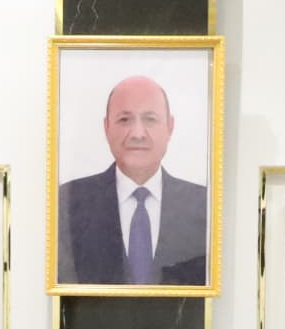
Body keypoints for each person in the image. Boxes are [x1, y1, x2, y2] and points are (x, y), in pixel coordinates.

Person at [54, 75, 210, 287]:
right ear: (106, 127)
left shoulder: (203, 204)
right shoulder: (68, 203)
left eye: (150, 119)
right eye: (125, 120)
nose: (138, 134)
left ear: (170, 127)